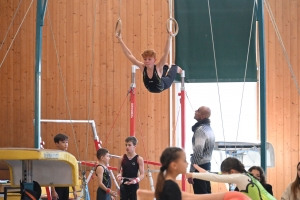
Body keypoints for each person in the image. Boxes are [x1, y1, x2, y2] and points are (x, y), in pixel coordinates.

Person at [137, 146, 250, 200]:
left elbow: (185, 196)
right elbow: (186, 197)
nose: (187, 164)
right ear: (174, 165)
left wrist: (225, 195)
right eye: (184, 160)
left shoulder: (169, 184)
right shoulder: (170, 185)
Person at [116, 32, 182, 93]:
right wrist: (120, 40)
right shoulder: (142, 67)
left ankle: (175, 67)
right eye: (145, 59)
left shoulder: (158, 66)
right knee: (161, 73)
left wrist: (169, 38)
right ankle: (166, 66)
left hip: (164, 84)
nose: (147, 61)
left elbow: (165, 52)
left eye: (149, 59)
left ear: (155, 60)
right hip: (158, 80)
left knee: (170, 73)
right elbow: (129, 55)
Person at [186, 157, 276, 200]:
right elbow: (216, 174)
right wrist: (201, 171)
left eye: (226, 174)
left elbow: (216, 177)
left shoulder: (241, 178)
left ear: (232, 172)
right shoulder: (246, 175)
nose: (226, 178)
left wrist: (192, 175)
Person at [187, 106, 215, 194]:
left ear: (202, 116)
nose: (195, 111)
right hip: (207, 165)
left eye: (198, 110)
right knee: (207, 194)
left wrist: (191, 171)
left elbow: (198, 153)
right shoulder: (209, 129)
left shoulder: (200, 130)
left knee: (201, 195)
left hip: (199, 167)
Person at [51, 133, 78, 200]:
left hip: (66, 185)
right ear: (57, 144)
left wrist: (74, 189)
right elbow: (52, 174)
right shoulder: (55, 157)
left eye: (67, 142)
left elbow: (70, 174)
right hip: (57, 185)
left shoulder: (68, 157)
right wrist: (53, 190)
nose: (66, 144)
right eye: (63, 142)